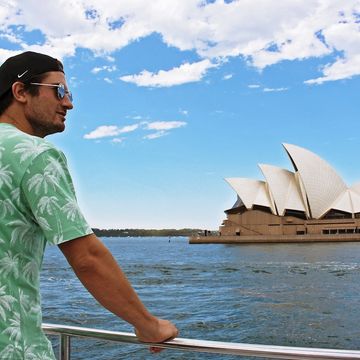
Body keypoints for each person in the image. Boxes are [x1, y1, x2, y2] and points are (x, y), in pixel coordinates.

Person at [0, 51, 178, 359]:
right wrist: (147, 325)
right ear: (20, 92)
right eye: (59, 91)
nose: (68, 103)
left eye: (69, 93)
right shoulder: (35, 155)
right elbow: (86, 258)